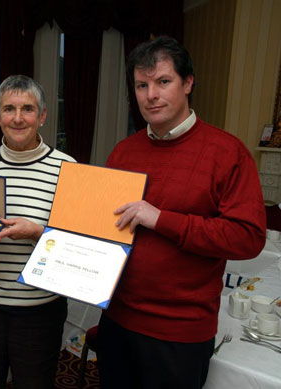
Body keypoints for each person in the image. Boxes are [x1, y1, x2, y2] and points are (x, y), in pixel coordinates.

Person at [98, 36, 267, 389]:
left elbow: (248, 238)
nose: (151, 95)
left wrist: (160, 219)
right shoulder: (123, 152)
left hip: (179, 332)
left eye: (163, 82)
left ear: (188, 83)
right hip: (117, 319)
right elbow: (106, 227)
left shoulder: (228, 153)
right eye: (141, 85)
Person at [0, 74, 76, 389]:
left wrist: (38, 232)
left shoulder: (68, 169)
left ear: (42, 117)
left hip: (40, 311)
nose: (17, 118)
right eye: (8, 109)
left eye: (27, 109)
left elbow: (79, 246)